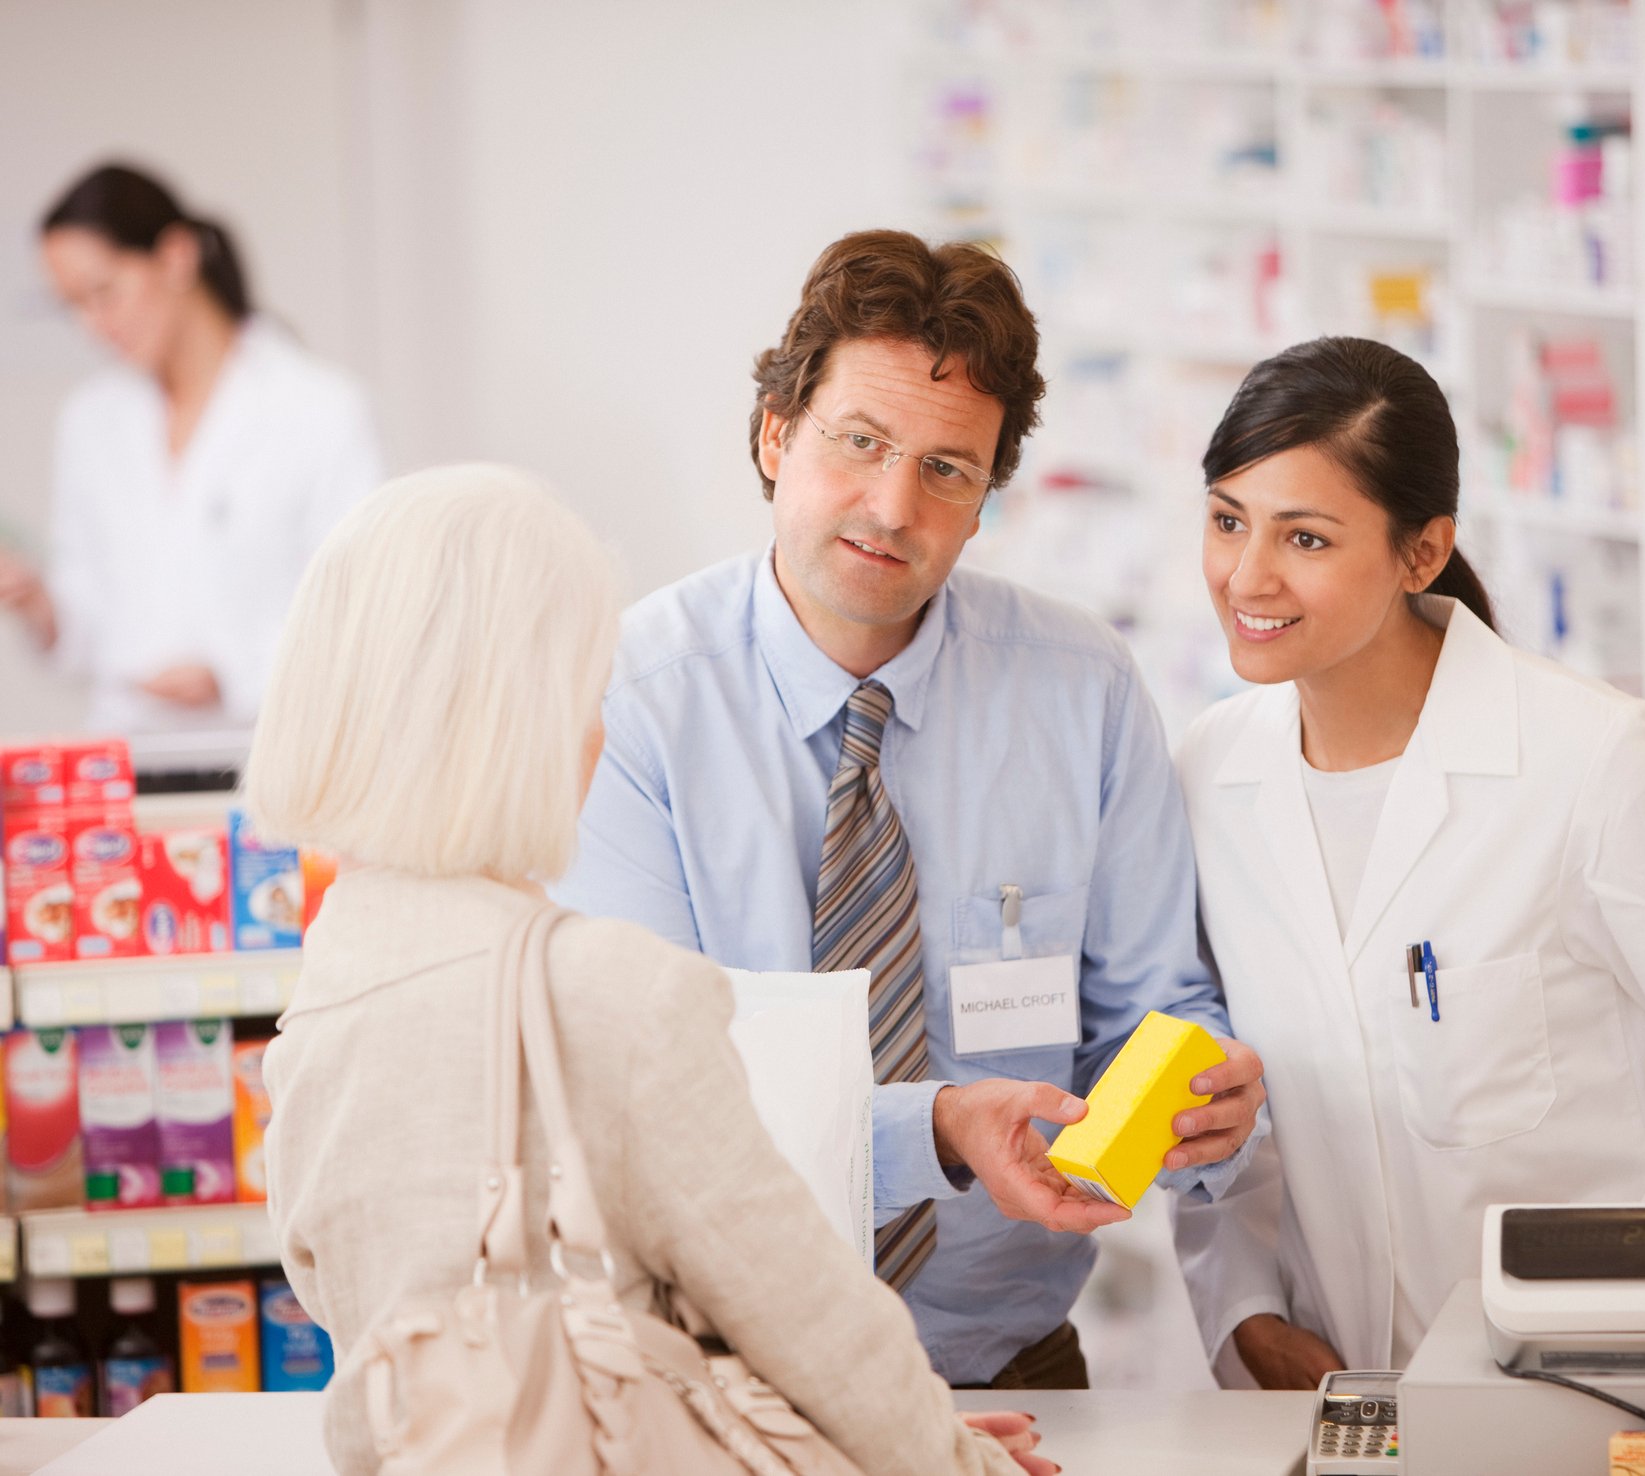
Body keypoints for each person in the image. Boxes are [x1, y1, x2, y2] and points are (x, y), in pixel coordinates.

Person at [553, 229, 1268, 1390]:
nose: (892, 506)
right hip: (721, 1384)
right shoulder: (629, 704)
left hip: (1009, 1371)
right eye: (860, 443)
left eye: (948, 469)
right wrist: (933, 1132)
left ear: (987, 499)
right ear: (777, 434)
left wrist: (1196, 1112)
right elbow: (653, 1099)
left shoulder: (1080, 690)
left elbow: (1149, 1012)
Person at [248, 466, 1050, 1476]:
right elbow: (807, 1316)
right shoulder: (605, 994)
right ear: (520, 720)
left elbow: (350, 1292)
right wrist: (949, 1459)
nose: (598, 730)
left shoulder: (328, 990)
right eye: (586, 693)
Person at [1171, 337, 1645, 1388]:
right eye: (1229, 520)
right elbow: (1219, 1106)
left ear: (1422, 553)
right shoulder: (1204, 774)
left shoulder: (1595, 763)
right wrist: (1244, 1315)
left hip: (1574, 1400)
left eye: (1306, 538)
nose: (1248, 576)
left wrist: (1605, 1320)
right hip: (1326, 1407)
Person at [0, 163, 381, 734]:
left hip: (268, 751)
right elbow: (91, 628)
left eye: (102, 293)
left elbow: (363, 614)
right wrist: (40, 604)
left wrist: (233, 676)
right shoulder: (90, 420)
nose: (91, 326)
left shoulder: (319, 408)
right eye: (72, 305)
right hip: (128, 749)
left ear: (176, 257)